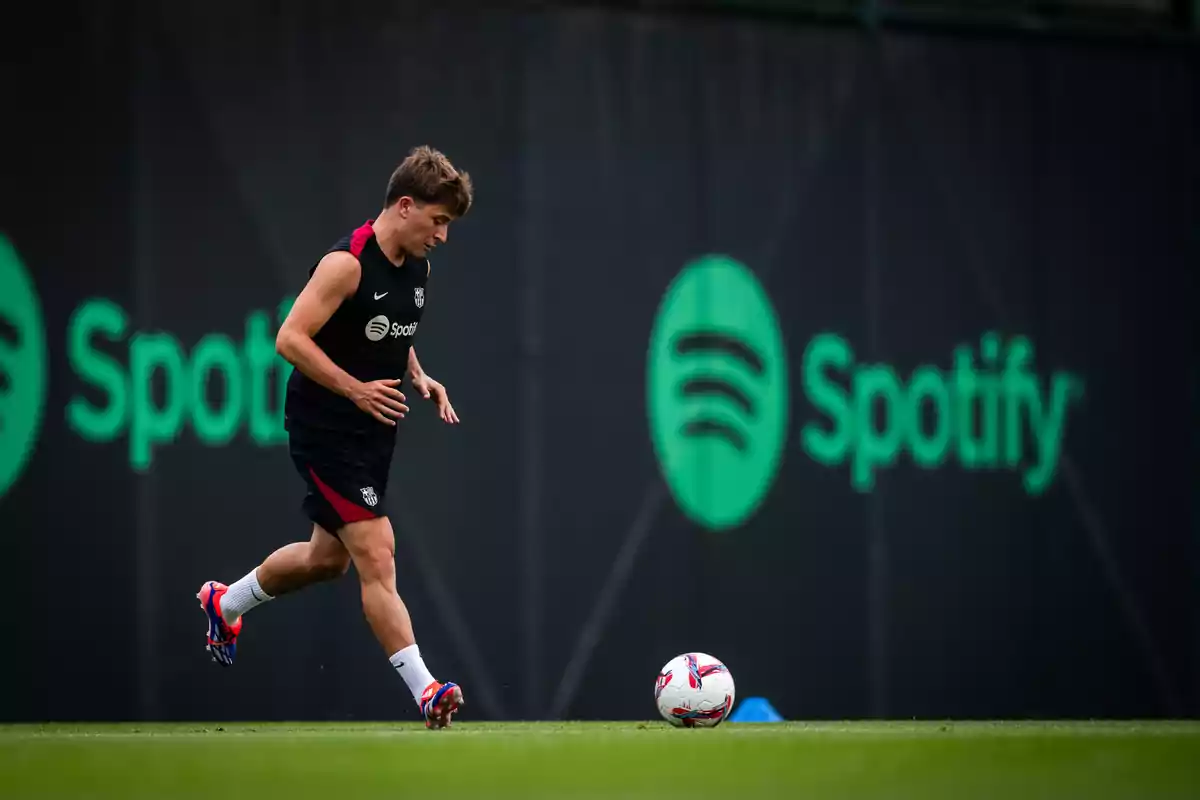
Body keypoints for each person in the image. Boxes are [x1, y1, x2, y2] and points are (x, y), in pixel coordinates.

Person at [196, 145, 472, 729]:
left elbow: (393, 328)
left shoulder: (418, 267)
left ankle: (227, 602)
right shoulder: (345, 264)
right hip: (325, 427)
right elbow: (290, 339)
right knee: (377, 550)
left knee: (327, 561)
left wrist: (417, 374)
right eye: (438, 221)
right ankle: (426, 691)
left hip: (371, 432)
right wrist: (355, 390)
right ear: (405, 206)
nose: (442, 236)